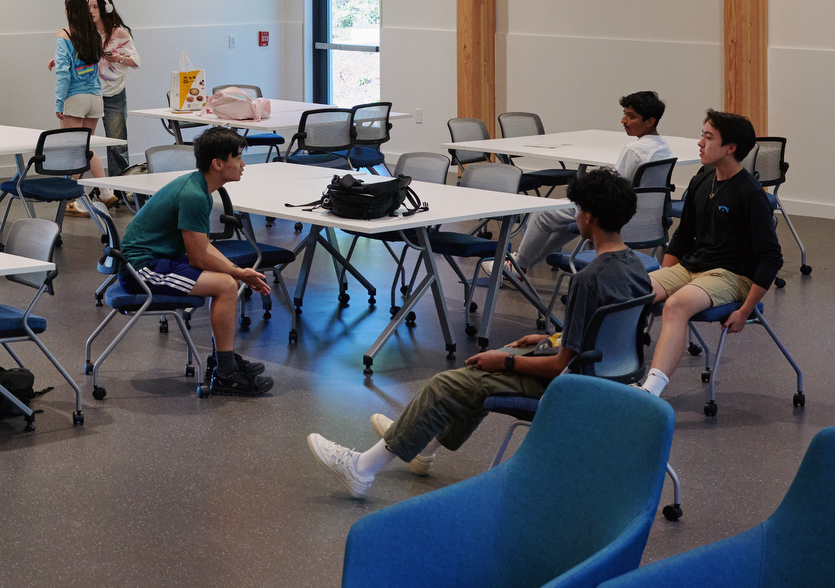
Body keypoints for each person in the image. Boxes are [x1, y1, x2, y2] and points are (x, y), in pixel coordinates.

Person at [308, 168, 650, 496]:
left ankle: (362, 468)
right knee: (475, 372)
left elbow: (559, 366)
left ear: (588, 216)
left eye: (577, 209)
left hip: (571, 385)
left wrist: (506, 362)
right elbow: (604, 333)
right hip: (610, 377)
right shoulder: (636, 266)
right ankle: (420, 444)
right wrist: (548, 339)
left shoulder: (587, 280)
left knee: (449, 383)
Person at [113, 127, 275, 396]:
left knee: (228, 280)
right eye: (238, 157)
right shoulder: (194, 195)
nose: (243, 164)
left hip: (158, 260)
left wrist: (237, 271)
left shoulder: (199, 187)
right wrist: (238, 274)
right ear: (218, 164)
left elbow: (204, 246)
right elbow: (198, 256)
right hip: (141, 269)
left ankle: (223, 362)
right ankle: (226, 373)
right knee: (226, 285)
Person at [637, 110, 782, 398]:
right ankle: (610, 371)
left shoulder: (751, 193)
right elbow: (682, 236)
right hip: (692, 267)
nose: (700, 143)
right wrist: (664, 279)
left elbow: (771, 257)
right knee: (630, 292)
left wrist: (744, 311)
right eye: (702, 135)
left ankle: (649, 392)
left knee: (676, 305)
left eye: (708, 137)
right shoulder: (702, 180)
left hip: (732, 275)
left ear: (730, 148)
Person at [513, 90, 672, 273]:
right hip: (648, 221)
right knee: (564, 222)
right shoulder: (664, 147)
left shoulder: (634, 150)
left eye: (631, 116)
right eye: (624, 114)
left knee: (543, 214)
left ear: (650, 121)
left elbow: (610, 189)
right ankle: (520, 267)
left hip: (617, 216)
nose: (623, 120)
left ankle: (518, 267)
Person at [49, 0, 104, 217]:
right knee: (84, 149)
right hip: (95, 98)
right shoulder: (93, 34)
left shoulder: (64, 34)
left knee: (77, 151)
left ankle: (100, 191)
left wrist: (58, 102)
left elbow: (63, 73)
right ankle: (85, 196)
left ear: (67, 11)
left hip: (75, 99)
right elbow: (86, 60)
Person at [91, 0, 141, 180]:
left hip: (114, 95)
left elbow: (136, 61)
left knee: (116, 144)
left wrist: (118, 58)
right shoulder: (90, 34)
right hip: (91, 93)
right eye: (89, 8)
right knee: (83, 141)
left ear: (106, 9)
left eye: (95, 7)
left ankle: (120, 186)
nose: (91, 11)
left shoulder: (119, 33)